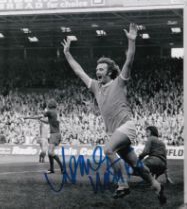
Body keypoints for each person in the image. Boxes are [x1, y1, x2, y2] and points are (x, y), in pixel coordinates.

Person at [62, 23, 166, 203]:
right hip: (113, 131)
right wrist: (67, 53)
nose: (97, 71)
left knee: (108, 150)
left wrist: (132, 42)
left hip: (126, 126)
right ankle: (156, 186)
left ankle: (123, 183)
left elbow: (129, 61)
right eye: (97, 69)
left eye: (101, 69)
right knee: (136, 164)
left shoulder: (119, 82)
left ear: (110, 72)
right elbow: (79, 71)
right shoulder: (95, 87)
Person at [24, 99, 63, 174]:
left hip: (54, 134)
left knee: (51, 153)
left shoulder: (50, 111)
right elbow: (49, 122)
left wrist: (28, 117)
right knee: (49, 153)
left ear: (50, 105)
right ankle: (51, 169)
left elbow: (39, 116)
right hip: (56, 134)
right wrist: (41, 120)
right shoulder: (55, 112)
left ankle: (62, 168)